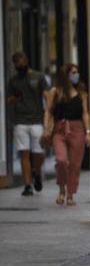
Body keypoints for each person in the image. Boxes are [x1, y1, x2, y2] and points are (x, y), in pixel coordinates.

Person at [42, 64, 90, 205]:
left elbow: (85, 114)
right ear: (66, 75)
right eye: (73, 73)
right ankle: (61, 190)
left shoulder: (81, 92)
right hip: (59, 129)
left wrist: (88, 132)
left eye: (77, 72)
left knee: (75, 164)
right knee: (61, 160)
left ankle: (70, 194)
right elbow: (48, 111)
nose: (76, 75)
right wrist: (46, 128)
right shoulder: (55, 91)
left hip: (77, 129)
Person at [7, 52, 49, 196]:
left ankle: (37, 171)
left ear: (27, 60)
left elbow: (47, 95)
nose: (20, 64)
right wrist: (15, 99)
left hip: (37, 119)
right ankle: (27, 185)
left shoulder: (38, 77)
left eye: (22, 61)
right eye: (17, 63)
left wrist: (49, 113)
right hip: (20, 121)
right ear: (14, 65)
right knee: (24, 152)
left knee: (39, 152)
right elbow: (8, 100)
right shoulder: (13, 81)